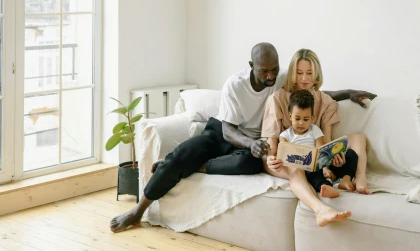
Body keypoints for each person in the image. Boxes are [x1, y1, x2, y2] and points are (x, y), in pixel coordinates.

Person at [110, 42, 374, 232]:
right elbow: (227, 130)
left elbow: (312, 90)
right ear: (252, 66)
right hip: (223, 132)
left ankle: (194, 168)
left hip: (252, 145)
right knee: (182, 155)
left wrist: (349, 92)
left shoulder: (281, 79)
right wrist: (252, 143)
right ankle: (139, 210)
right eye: (264, 71)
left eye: (274, 70)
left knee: (247, 165)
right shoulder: (235, 85)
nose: (271, 76)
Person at [262, 48, 371, 195]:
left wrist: (332, 159)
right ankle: (321, 190)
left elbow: (326, 140)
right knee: (296, 167)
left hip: (314, 157)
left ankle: (359, 177)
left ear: (317, 75)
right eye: (299, 73)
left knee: (359, 138)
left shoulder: (325, 101)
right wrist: (270, 158)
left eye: (309, 73)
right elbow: (272, 144)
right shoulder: (276, 99)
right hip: (286, 160)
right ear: (292, 73)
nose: (304, 79)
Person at [273, 89, 359, 199]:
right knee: (312, 175)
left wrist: (325, 168)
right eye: (297, 118)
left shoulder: (315, 130)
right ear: (290, 116)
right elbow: (284, 155)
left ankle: (346, 179)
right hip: (303, 169)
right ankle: (326, 186)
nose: (301, 123)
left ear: (312, 117)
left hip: (319, 164)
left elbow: (321, 149)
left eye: (306, 119)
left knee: (351, 154)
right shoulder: (285, 135)